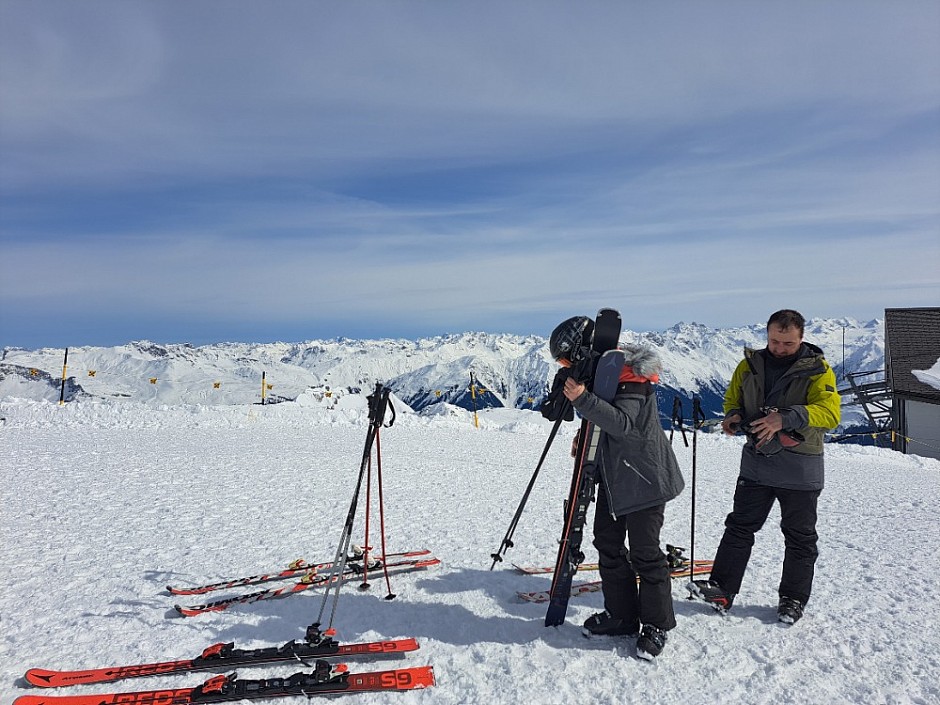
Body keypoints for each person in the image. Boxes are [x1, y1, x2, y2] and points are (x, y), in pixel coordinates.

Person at [688, 309, 841, 624]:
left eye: (787, 343)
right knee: (740, 526)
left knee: (799, 536)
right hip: (757, 462)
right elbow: (733, 399)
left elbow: (830, 413)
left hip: (800, 468)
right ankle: (721, 588)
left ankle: (792, 600)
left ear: (801, 339)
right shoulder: (749, 365)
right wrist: (732, 416)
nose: (779, 348)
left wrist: (784, 418)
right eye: (774, 341)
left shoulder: (818, 370)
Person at [549, 315, 685, 660]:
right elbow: (605, 420)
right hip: (613, 475)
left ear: (580, 351)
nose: (566, 367)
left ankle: (656, 625)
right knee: (608, 544)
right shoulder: (604, 376)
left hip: (644, 478)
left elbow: (623, 424)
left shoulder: (631, 376)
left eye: (566, 359)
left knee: (644, 553)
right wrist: (585, 433)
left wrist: (583, 399)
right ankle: (622, 615)